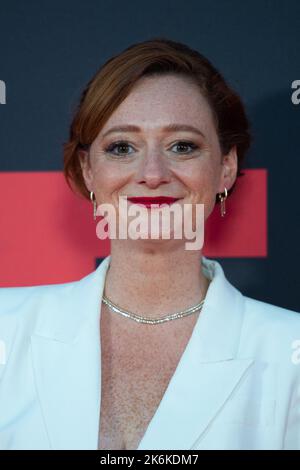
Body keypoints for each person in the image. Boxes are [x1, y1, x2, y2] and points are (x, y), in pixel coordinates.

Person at [0, 38, 299, 451]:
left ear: (226, 168)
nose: (153, 173)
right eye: (122, 147)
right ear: (88, 170)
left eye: (183, 146)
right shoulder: (6, 327)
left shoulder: (289, 352)